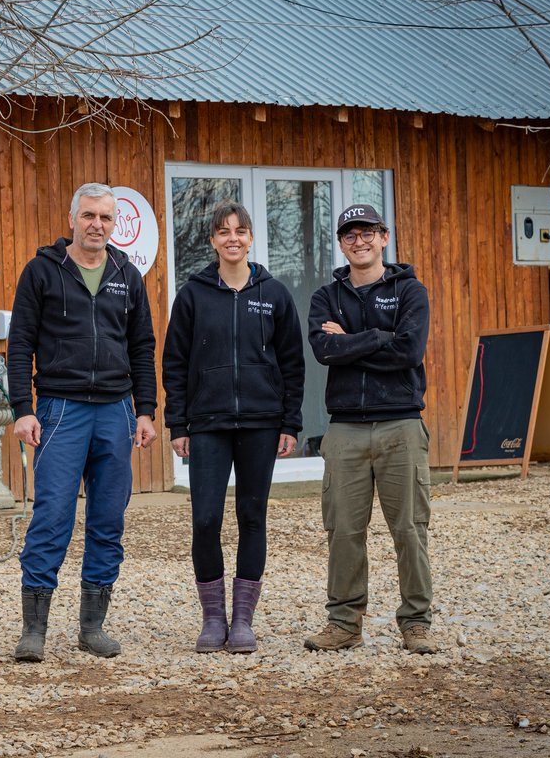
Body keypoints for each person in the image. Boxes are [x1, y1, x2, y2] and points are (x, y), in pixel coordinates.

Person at [7, 182, 158, 662]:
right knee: (52, 517)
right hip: (59, 410)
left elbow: (142, 347)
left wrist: (146, 410)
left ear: (115, 225)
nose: (97, 225)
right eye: (89, 215)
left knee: (108, 519)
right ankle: (34, 630)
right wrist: (22, 409)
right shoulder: (42, 272)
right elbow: (19, 344)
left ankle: (92, 627)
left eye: (106, 218)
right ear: (73, 217)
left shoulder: (126, 275)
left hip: (116, 411)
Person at [162, 201, 305, 654]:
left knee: (251, 516)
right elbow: (175, 363)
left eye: (240, 230)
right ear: (212, 241)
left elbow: (293, 364)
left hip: (262, 423)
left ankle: (243, 620)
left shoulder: (275, 294)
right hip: (207, 424)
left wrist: (290, 422)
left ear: (250, 237)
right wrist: (177, 424)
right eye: (223, 232)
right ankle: (212, 618)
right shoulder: (193, 294)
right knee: (205, 519)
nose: (232, 238)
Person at [304, 203, 437, 654]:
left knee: (410, 528)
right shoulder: (326, 297)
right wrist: (380, 337)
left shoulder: (410, 291)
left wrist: (352, 341)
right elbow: (324, 350)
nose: (358, 242)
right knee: (343, 529)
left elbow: (408, 352)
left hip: (401, 422)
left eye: (367, 233)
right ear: (341, 243)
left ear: (383, 236)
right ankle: (344, 623)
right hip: (345, 430)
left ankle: (416, 623)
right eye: (349, 235)